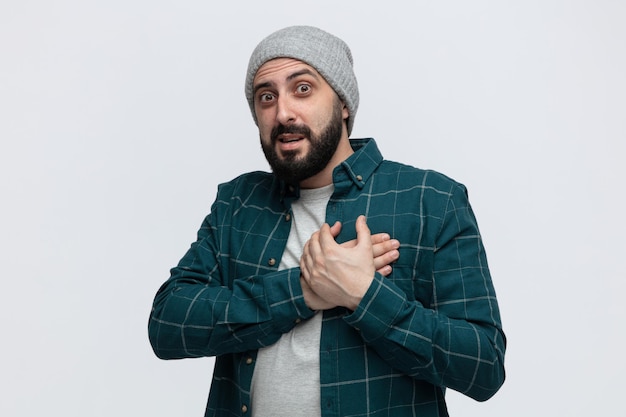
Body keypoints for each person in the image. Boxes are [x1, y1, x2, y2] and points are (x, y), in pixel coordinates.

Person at [149, 25, 506, 417]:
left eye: (302, 88)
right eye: (266, 97)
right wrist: (302, 290)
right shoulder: (238, 202)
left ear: (343, 103)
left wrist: (364, 295)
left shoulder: (430, 199)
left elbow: (483, 367)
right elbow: (169, 324)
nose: (282, 112)